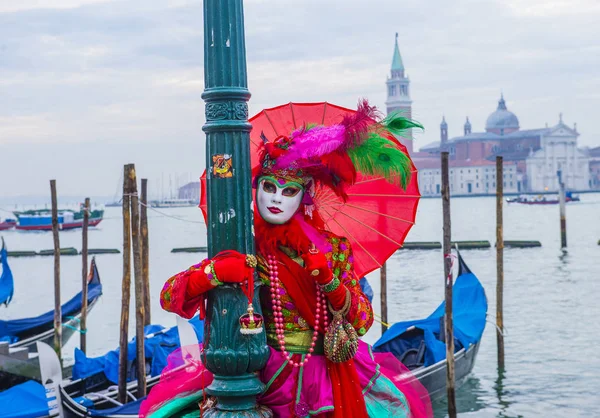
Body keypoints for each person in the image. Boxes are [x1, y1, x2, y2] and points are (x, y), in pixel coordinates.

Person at [141, 100, 432, 418]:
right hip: (262, 380)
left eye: (288, 190)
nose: (276, 198)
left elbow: (362, 322)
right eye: (268, 186)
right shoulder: (245, 246)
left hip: (327, 378)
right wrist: (213, 273)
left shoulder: (333, 249)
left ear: (304, 196)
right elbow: (170, 296)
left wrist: (329, 281)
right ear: (256, 189)